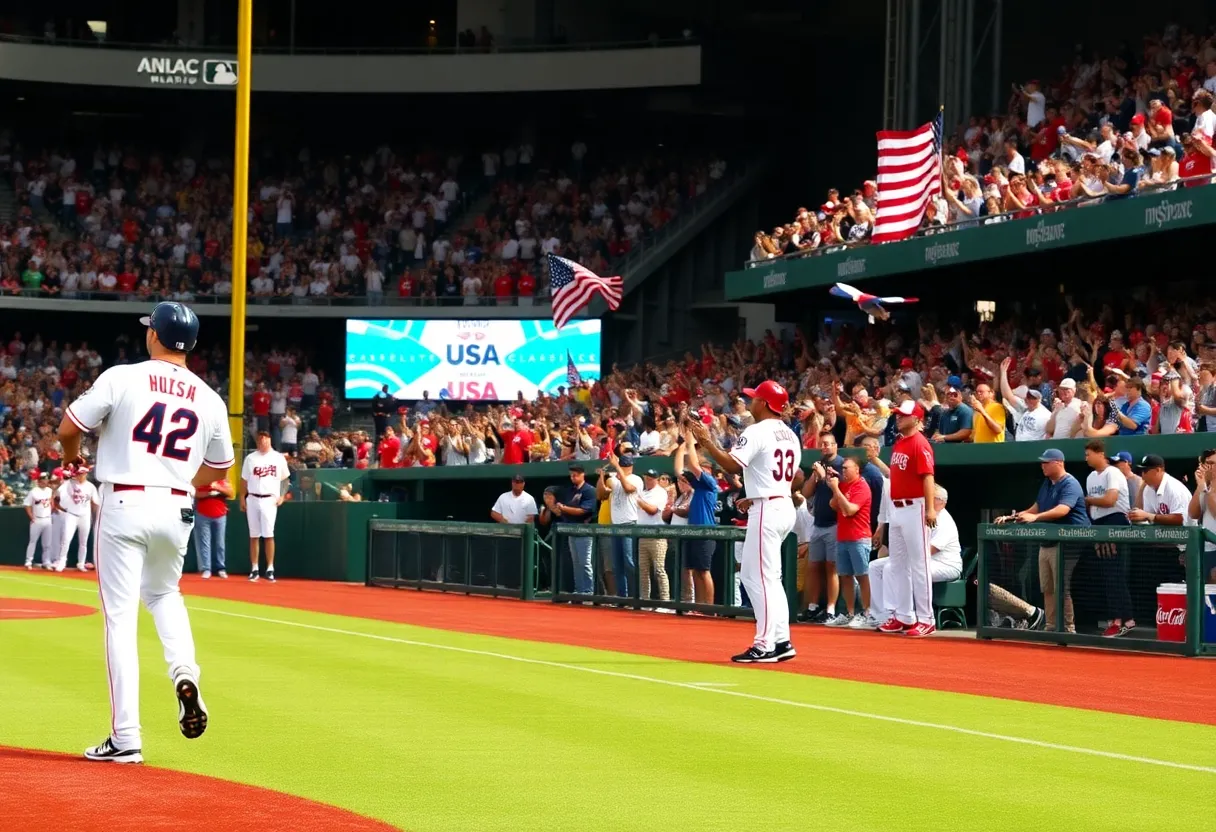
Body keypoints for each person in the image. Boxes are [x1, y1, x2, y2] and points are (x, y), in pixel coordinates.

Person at [58, 301, 235, 763]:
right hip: (176, 506)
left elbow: (69, 427)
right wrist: (174, 481)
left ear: (153, 335)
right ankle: (185, 673)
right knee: (164, 595)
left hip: (123, 501)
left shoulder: (124, 376)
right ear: (191, 344)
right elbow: (217, 470)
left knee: (119, 618)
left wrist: (72, 457)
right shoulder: (211, 398)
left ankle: (126, 736)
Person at [689, 379, 799, 663]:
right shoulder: (790, 434)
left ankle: (764, 644)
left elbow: (731, 465)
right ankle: (782, 640)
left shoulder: (758, 430)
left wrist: (706, 442)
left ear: (764, 403)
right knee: (767, 578)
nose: (751, 402)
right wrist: (757, 494)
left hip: (768, 509)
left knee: (759, 577)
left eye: (755, 398)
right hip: (781, 503)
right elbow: (795, 476)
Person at [997, 448, 1090, 633]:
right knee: (1047, 587)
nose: (1043, 465)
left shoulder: (1070, 483)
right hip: (1048, 540)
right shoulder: (1048, 483)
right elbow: (1037, 506)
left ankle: (1068, 628)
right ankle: (1051, 626)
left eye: (1046, 462)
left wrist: (1036, 518)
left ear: (1059, 463)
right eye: (1042, 462)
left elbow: (1063, 510)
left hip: (1068, 541)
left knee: (1060, 586)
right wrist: (1013, 517)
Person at [877, 400, 939, 637]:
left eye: (903, 415)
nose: (899, 418)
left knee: (919, 565)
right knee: (898, 564)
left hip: (916, 507)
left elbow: (928, 477)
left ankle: (926, 618)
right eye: (898, 415)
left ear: (916, 418)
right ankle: (904, 615)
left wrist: (930, 509)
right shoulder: (900, 443)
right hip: (897, 508)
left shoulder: (919, 443)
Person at [868, 484, 962, 627]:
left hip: (945, 565)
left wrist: (901, 555)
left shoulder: (944, 521)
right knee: (875, 566)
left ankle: (902, 614)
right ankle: (879, 614)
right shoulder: (920, 515)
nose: (926, 500)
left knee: (892, 567)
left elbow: (928, 551)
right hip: (921, 559)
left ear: (942, 502)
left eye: (931, 498)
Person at [1082, 440, 1134, 637]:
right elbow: (1095, 507)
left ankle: (1125, 620)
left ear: (1100, 453)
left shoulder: (1113, 472)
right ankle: (1115, 619)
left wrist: (1087, 500)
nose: (1086, 458)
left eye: (1089, 454)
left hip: (1116, 522)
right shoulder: (1090, 477)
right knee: (1106, 575)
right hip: (1099, 524)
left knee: (1116, 574)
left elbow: (1110, 500)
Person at [797, 429, 843, 623]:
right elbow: (806, 493)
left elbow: (839, 491)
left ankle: (831, 609)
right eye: (822, 444)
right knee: (814, 566)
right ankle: (813, 606)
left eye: (828, 443)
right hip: (818, 523)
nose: (824, 447)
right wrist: (815, 476)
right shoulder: (819, 466)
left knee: (831, 567)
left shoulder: (841, 465)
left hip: (835, 523)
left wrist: (825, 475)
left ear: (835, 446)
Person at [824, 456, 872, 628]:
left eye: (846, 468)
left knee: (862, 575)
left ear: (856, 470)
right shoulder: (844, 485)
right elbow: (833, 504)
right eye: (842, 468)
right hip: (843, 536)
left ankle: (867, 612)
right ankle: (850, 612)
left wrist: (836, 489)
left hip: (859, 537)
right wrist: (835, 486)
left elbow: (851, 510)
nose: (843, 471)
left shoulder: (862, 486)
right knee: (845, 575)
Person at [673, 425, 718, 605]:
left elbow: (693, 464)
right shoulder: (698, 485)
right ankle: (701, 607)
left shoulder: (710, 482)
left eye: (704, 468)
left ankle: (709, 608)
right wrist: (683, 445)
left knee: (704, 571)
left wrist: (691, 443)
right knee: (696, 571)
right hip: (694, 531)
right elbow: (678, 471)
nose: (701, 470)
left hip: (706, 532)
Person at [241, 430, 290, 582]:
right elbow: (244, 480)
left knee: (269, 534)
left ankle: (270, 568)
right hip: (253, 497)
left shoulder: (278, 457)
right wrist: (242, 498)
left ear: (270, 440)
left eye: (265, 439)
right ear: (257, 442)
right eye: (260, 440)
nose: (263, 442)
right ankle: (254, 568)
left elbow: (285, 479)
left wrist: (282, 496)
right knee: (254, 535)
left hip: (270, 499)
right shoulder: (250, 458)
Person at [541, 464, 598, 594]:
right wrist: (556, 507)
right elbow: (552, 495)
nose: (573, 477)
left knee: (584, 563)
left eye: (576, 475)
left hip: (584, 530)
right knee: (576, 563)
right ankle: (579, 591)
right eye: (571, 475)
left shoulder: (589, 490)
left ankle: (588, 592)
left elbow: (583, 510)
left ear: (582, 474)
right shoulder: (570, 490)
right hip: (571, 530)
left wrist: (564, 508)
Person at [596, 453, 642, 599]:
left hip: (629, 523)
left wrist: (616, 467)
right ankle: (622, 597)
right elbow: (601, 494)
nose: (624, 468)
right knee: (617, 565)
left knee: (629, 562)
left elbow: (628, 488)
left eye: (625, 465)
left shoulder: (636, 479)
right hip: (615, 524)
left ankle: (635, 596)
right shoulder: (615, 479)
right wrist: (601, 476)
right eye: (622, 465)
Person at [636, 468, 671, 605]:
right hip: (642, 535)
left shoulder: (660, 492)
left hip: (657, 536)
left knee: (659, 570)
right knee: (643, 571)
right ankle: (645, 601)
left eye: (651, 478)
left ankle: (665, 602)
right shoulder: (643, 492)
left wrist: (638, 500)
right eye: (646, 477)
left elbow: (652, 511)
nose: (648, 480)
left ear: (656, 479)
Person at [56, 464, 100, 572]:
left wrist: (96, 516)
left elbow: (96, 502)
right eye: (79, 474)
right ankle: (62, 561)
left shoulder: (91, 487)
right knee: (66, 538)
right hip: (71, 514)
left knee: (83, 541)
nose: (80, 476)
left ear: (86, 474)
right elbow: (58, 493)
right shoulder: (70, 484)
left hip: (85, 516)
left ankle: (81, 563)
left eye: (82, 474)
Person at [194, 473, 233, 579]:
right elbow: (195, 493)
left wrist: (218, 488)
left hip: (220, 514)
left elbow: (231, 493)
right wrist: (210, 493)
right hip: (202, 513)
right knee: (205, 542)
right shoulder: (201, 478)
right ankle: (206, 568)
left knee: (220, 543)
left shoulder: (223, 478)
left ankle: (221, 568)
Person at [1188, 447, 1216, 581]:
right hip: (1206, 548)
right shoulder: (1205, 487)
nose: (1208, 468)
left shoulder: (1211, 489)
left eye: (1212, 464)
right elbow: (1193, 513)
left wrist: (1211, 487)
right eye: (1207, 463)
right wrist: (1201, 486)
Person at [23, 470, 53, 569]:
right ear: (39, 481)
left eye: (46, 479)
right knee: (33, 541)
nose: (45, 481)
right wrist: (31, 517)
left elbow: (51, 502)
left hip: (47, 519)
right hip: (37, 519)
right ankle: (28, 561)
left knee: (47, 543)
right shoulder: (33, 492)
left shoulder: (49, 490)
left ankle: (46, 562)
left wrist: (50, 512)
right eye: (43, 480)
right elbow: (27, 505)